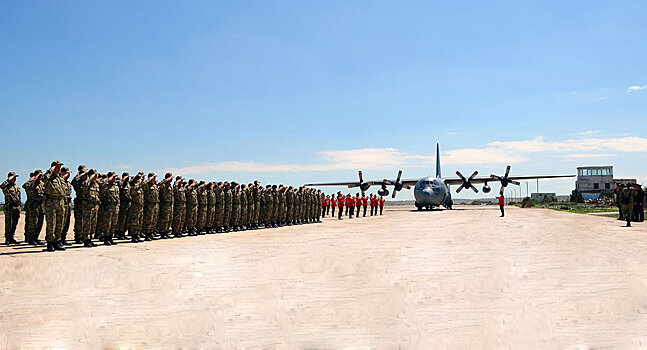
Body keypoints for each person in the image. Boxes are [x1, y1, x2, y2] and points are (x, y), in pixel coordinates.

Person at [23, 169, 44, 245]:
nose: (40, 177)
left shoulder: (42, 183)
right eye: (39, 175)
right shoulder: (30, 183)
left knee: (40, 222)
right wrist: (34, 180)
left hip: (41, 205)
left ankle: (36, 237)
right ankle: (30, 238)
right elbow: (25, 186)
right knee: (33, 223)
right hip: (33, 206)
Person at [80, 168, 100, 248]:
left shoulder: (96, 184)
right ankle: (86, 240)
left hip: (95, 206)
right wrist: (90, 178)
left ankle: (90, 239)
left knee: (93, 224)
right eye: (94, 175)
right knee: (87, 224)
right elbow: (84, 187)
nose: (96, 177)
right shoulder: (86, 183)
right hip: (88, 206)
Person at [1, 171, 21, 245]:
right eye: (13, 177)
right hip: (9, 207)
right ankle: (7, 238)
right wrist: (8, 180)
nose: (15, 179)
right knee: (8, 223)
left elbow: (19, 198)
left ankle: (11, 237)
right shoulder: (6, 186)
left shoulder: (17, 187)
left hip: (16, 207)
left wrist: (19, 207)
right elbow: (1, 186)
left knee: (15, 223)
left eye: (15, 177)